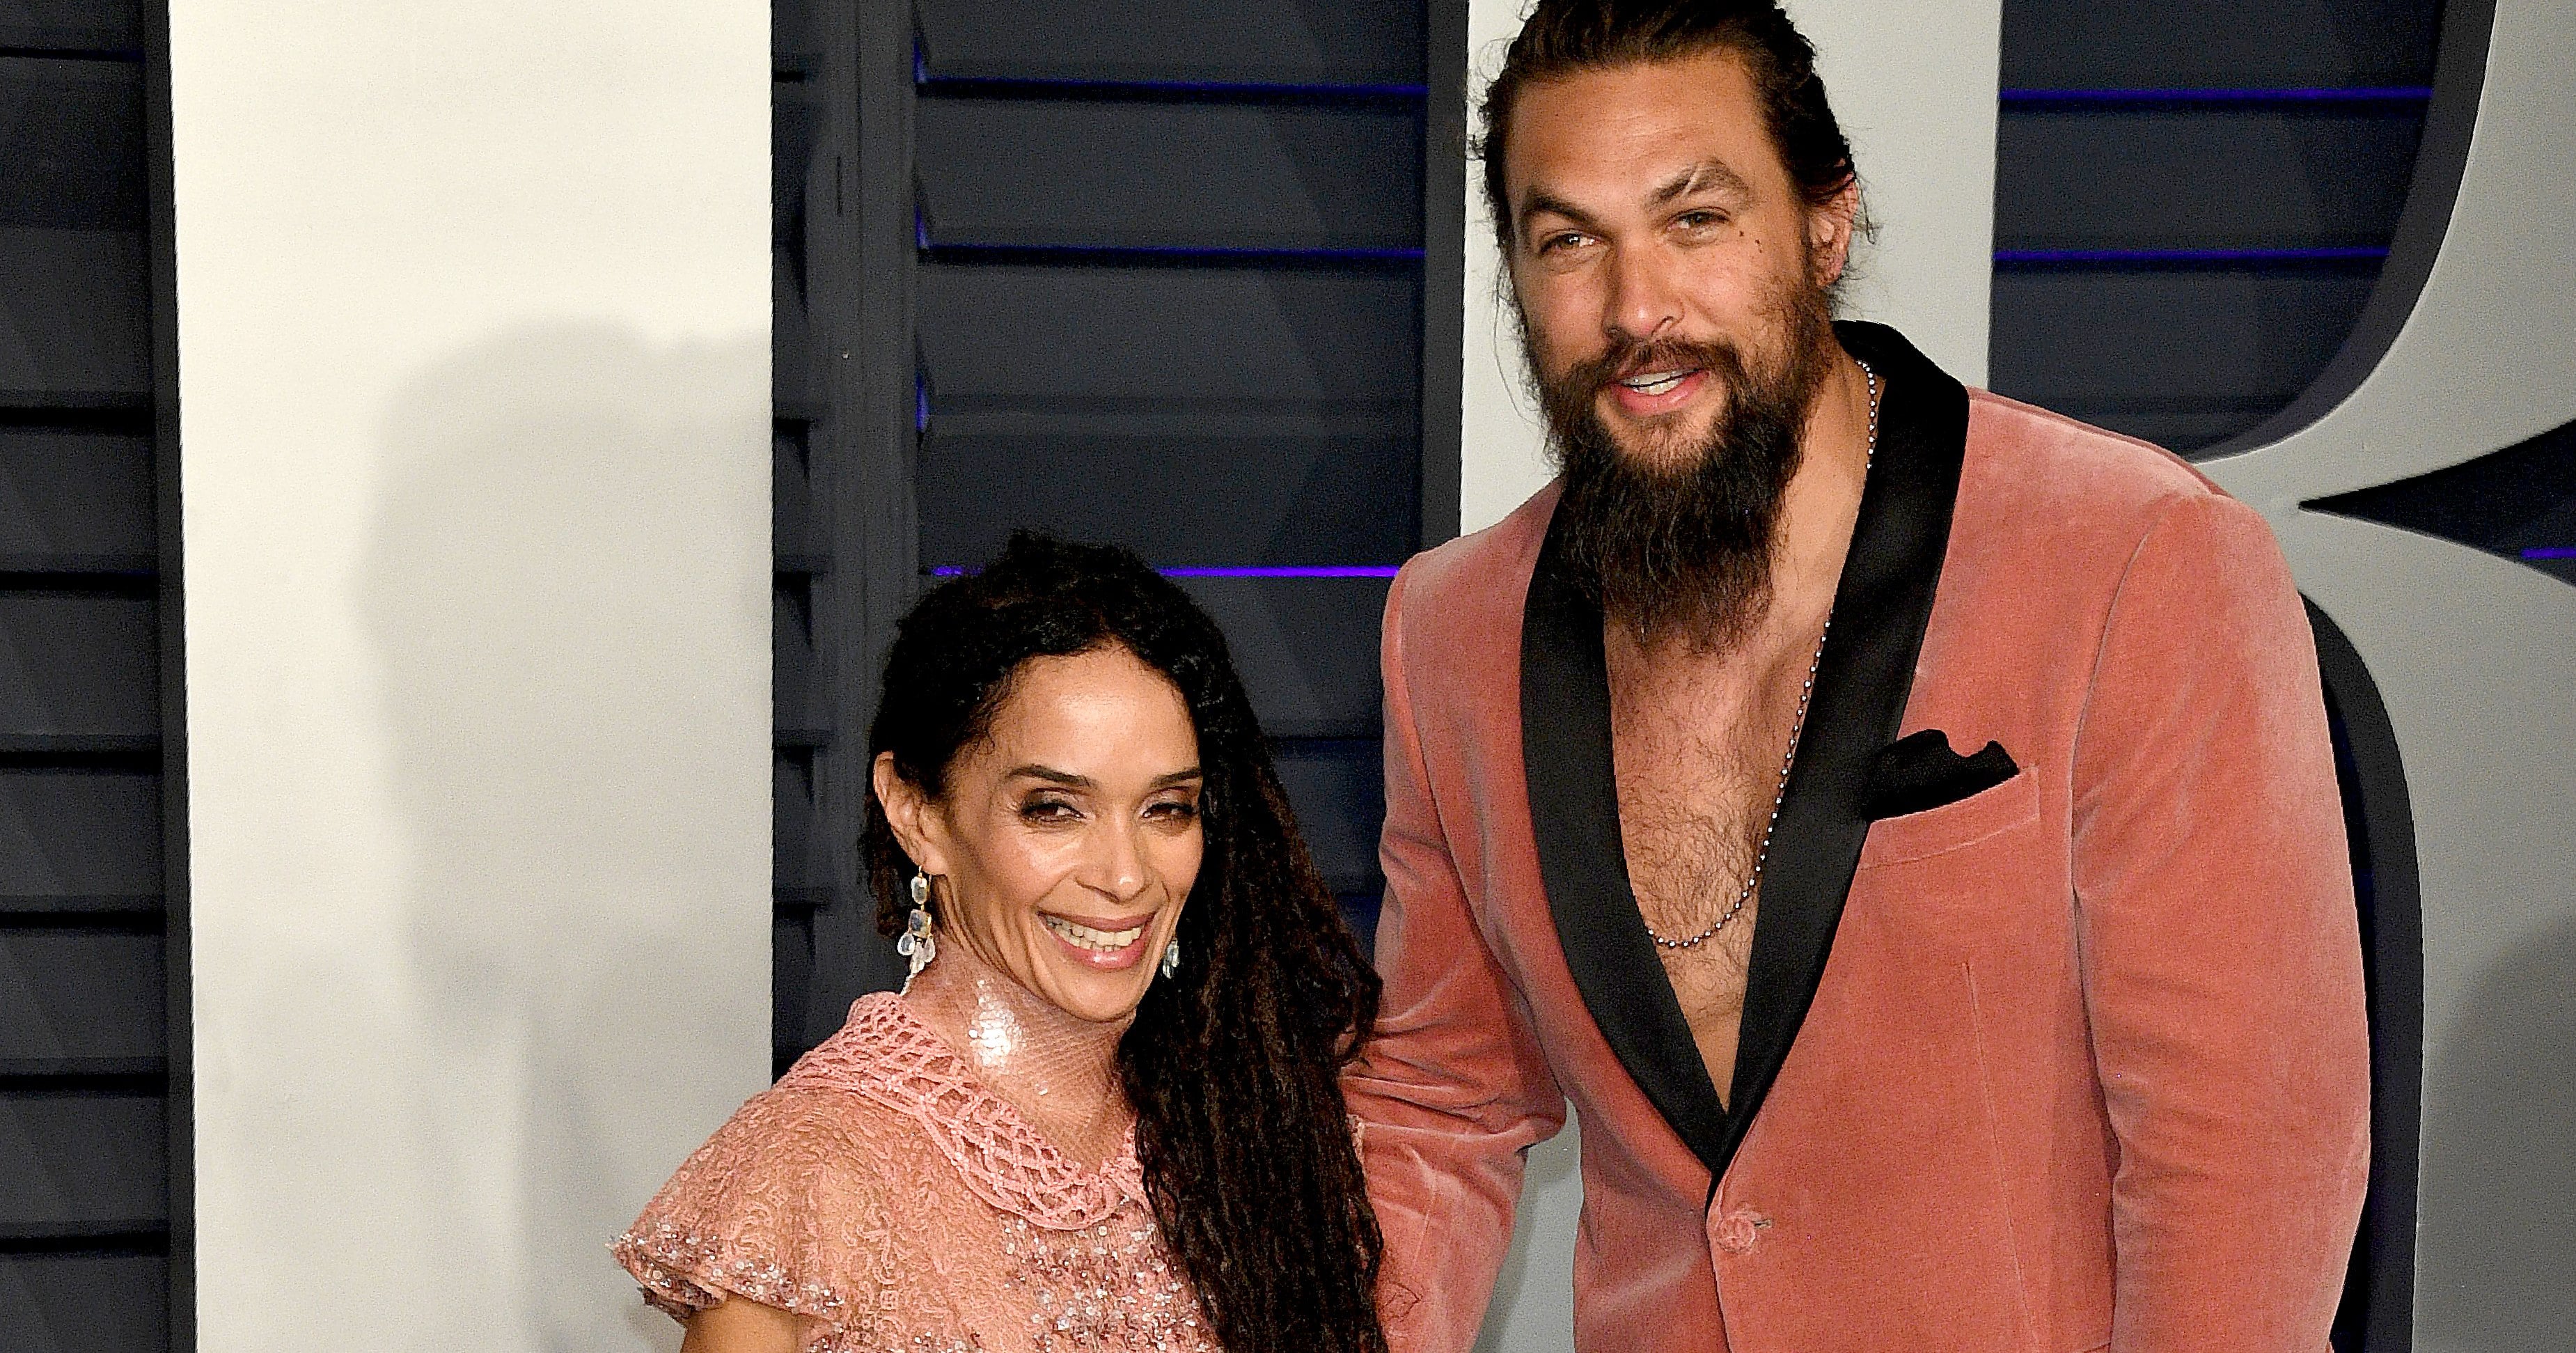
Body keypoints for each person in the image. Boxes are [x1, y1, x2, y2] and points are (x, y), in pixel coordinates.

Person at [1342, 3, 2372, 1350]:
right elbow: (1438, 1102)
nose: (1636, 307)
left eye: (1695, 219)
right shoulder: (1452, 628)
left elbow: (2243, 1158)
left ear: (1826, 221)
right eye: (1570, 241)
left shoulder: (2137, 559)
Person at [615, 533, 1388, 1353]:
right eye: (1054, 809)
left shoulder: (1258, 1124)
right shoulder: (810, 1172)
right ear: (916, 813)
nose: (1126, 875)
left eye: (1166, 808)